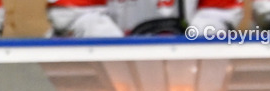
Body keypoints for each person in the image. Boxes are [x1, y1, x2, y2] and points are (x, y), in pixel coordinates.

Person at [47, 0, 240, 36]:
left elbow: (219, 14)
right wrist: (121, 51)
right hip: (98, 77)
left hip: (186, 74)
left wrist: (186, 48)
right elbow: (72, 15)